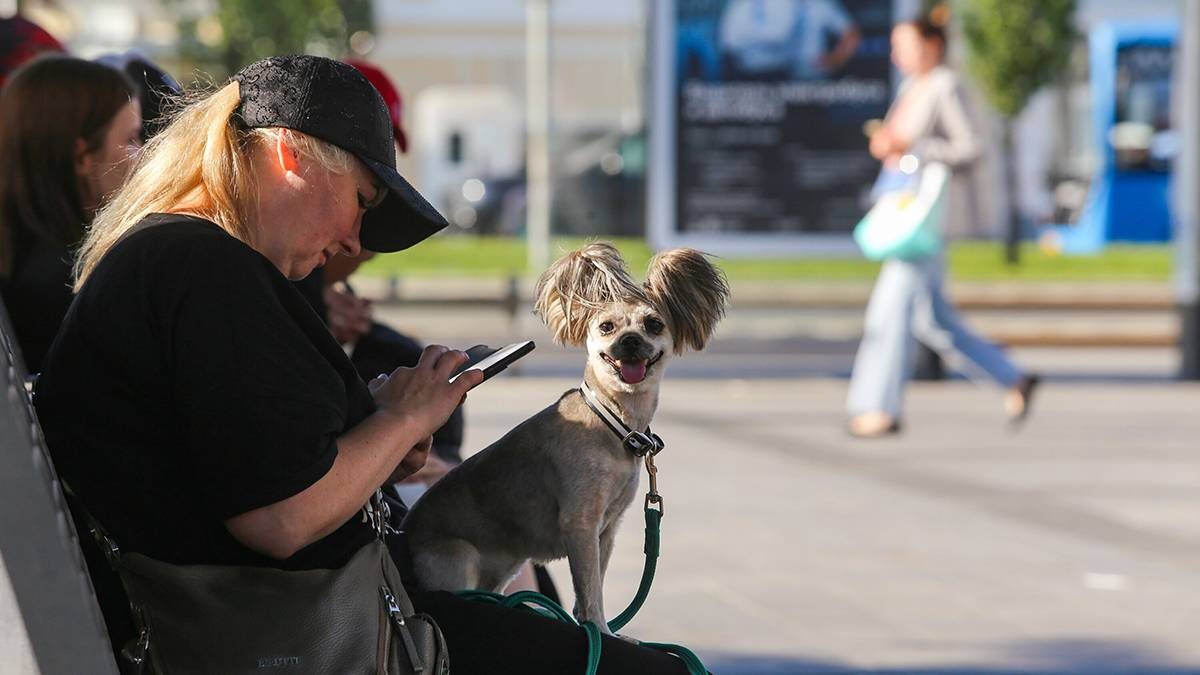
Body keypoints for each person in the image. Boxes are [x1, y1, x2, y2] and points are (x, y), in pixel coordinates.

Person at [33, 54, 689, 673]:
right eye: (363, 200)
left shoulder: (181, 258)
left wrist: (374, 427)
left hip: (306, 619)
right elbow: (281, 517)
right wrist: (404, 418)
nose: (354, 239)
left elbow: (245, 460)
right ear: (291, 154)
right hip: (310, 636)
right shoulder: (205, 270)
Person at [845, 19, 1038, 438]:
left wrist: (912, 148)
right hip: (908, 215)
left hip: (923, 220)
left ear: (932, 45)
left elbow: (971, 147)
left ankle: (879, 407)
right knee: (935, 320)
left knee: (888, 316)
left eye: (905, 45)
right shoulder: (910, 87)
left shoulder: (945, 85)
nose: (898, 54)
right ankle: (1012, 378)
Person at [0, 55, 141, 373]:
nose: (143, 155)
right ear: (82, 156)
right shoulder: (70, 284)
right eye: (130, 139)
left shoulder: (22, 261)